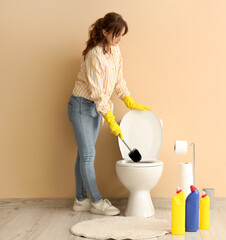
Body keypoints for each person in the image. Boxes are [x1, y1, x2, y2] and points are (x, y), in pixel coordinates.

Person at [67, 12, 151, 216]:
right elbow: (97, 93)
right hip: (81, 106)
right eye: (116, 35)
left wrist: (128, 100)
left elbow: (118, 80)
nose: (119, 39)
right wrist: (110, 118)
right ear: (104, 32)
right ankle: (96, 201)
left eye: (121, 35)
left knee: (83, 154)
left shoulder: (115, 50)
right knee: (88, 155)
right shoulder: (94, 54)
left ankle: (80, 199)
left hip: (96, 107)